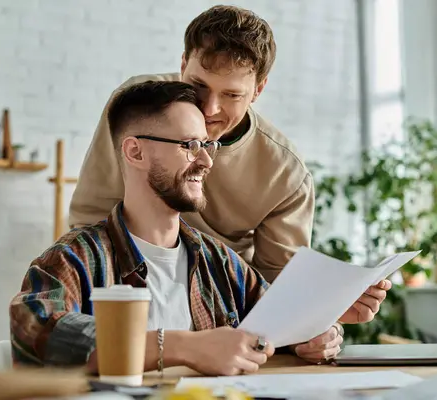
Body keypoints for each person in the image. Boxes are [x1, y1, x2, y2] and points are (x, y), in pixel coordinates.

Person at [9, 81, 383, 376]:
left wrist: (319, 328)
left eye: (207, 145)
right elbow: (40, 333)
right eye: (189, 145)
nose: (206, 159)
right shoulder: (73, 258)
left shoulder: (219, 262)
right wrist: (187, 347)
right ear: (135, 152)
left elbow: (277, 327)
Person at [69, 4, 391, 326]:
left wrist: (322, 316)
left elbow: (277, 285)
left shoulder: (285, 174)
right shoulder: (137, 109)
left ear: (258, 90)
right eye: (199, 86)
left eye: (232, 95)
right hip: (126, 293)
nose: (210, 108)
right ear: (183, 64)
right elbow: (90, 216)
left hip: (221, 311)